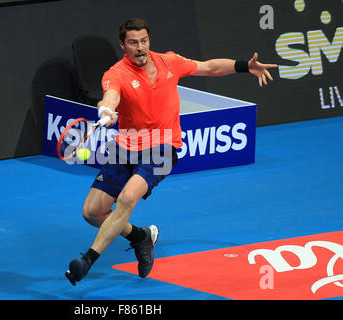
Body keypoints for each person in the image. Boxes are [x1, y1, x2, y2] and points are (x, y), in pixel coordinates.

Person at [65, 18, 278, 285]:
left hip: (164, 146)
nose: (140, 47)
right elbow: (110, 98)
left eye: (143, 41)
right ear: (123, 45)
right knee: (92, 212)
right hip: (127, 144)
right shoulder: (116, 73)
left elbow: (209, 67)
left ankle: (88, 260)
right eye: (133, 43)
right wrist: (106, 110)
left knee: (127, 198)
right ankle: (141, 237)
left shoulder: (169, 62)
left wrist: (244, 65)